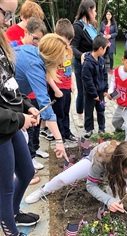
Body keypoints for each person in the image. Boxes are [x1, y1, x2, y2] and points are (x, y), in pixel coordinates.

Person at [0, 0, 45, 236]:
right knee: (4, 188)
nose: (10, 21)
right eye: (6, 13)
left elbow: (9, 85)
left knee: (26, 172)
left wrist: (26, 106)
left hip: (10, 124)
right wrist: (19, 120)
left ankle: (12, 214)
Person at [25, 140, 127, 231]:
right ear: (120, 165)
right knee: (62, 179)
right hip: (94, 161)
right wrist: (108, 200)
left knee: (118, 196)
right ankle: (44, 190)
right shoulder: (100, 160)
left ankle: (111, 197)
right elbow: (90, 185)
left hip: (117, 171)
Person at [14, 33, 69, 162]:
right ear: (54, 56)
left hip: (16, 98)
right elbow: (45, 106)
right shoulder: (34, 65)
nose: (63, 60)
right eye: (62, 56)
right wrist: (59, 141)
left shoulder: (34, 51)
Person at [11, 17, 49, 173]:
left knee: (33, 128)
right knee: (24, 131)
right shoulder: (16, 50)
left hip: (28, 97)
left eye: (40, 41)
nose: (37, 44)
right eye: (35, 39)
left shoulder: (36, 56)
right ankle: (25, 161)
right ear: (26, 32)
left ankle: (32, 153)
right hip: (17, 100)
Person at [48, 18, 77, 145]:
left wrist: (72, 83)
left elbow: (69, 68)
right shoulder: (54, 51)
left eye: (70, 40)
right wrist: (55, 89)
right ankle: (59, 135)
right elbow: (48, 73)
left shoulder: (69, 50)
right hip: (57, 88)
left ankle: (67, 131)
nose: (68, 43)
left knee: (66, 111)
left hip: (66, 87)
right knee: (58, 113)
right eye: (66, 39)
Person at [71, 0, 97, 128]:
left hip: (93, 64)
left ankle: (89, 114)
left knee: (91, 90)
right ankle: (80, 116)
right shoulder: (77, 26)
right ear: (88, 10)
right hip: (81, 64)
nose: (96, 13)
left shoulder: (92, 27)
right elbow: (73, 46)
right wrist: (81, 55)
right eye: (94, 10)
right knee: (82, 92)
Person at [82, 35, 108, 138]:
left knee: (101, 110)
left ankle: (102, 128)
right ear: (100, 48)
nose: (105, 51)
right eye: (105, 48)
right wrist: (93, 94)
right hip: (90, 94)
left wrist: (105, 89)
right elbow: (87, 80)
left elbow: (105, 75)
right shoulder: (88, 63)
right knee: (89, 111)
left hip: (101, 93)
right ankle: (89, 129)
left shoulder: (101, 60)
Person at [99, 10, 118, 74]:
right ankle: (102, 68)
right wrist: (103, 35)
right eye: (107, 14)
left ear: (111, 15)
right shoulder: (103, 23)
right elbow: (100, 32)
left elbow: (116, 32)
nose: (108, 15)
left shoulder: (114, 23)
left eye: (109, 14)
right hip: (104, 41)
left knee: (111, 56)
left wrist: (110, 35)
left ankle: (111, 69)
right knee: (102, 55)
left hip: (111, 42)